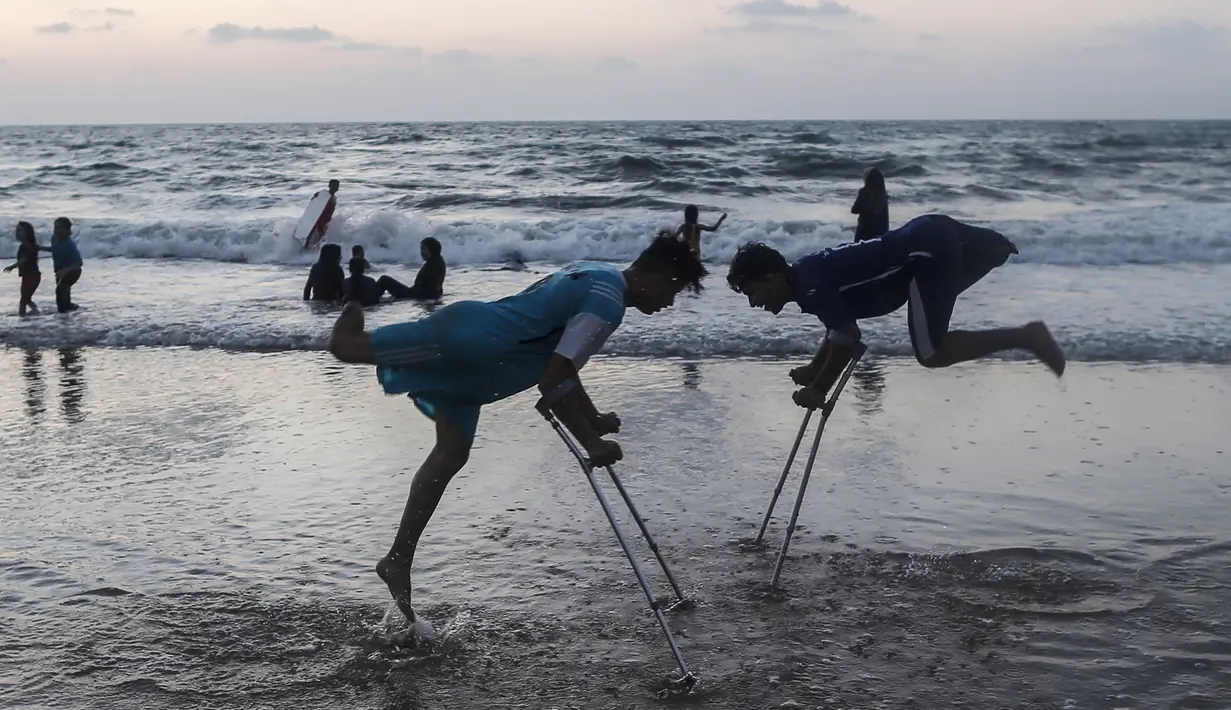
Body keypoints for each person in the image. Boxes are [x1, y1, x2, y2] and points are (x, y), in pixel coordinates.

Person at [326, 231, 707, 628]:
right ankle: (351, 301)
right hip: (466, 342)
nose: (669, 302)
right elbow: (554, 379)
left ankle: (398, 559)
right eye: (674, 290)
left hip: (482, 359)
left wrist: (592, 419)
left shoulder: (598, 274)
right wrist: (592, 444)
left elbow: (561, 364)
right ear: (659, 276)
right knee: (348, 346)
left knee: (452, 454)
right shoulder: (608, 303)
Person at [726, 214, 1066, 410]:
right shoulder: (806, 278)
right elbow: (838, 330)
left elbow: (848, 336)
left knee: (931, 351)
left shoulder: (809, 287)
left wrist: (820, 390)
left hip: (925, 251)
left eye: (752, 291)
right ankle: (995, 250)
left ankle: (1027, 336)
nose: (753, 302)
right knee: (932, 341)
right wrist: (815, 370)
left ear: (771, 277)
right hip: (930, 238)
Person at [3, 222, 50, 316]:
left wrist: (12, 266)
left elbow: (23, 260)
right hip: (33, 276)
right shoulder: (32, 245)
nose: (18, 233)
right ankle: (35, 311)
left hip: (30, 276)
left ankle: (23, 316)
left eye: (20, 231)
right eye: (17, 230)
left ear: (28, 233)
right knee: (26, 298)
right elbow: (44, 248)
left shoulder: (25, 247)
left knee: (23, 300)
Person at [50, 217, 83, 313]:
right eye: (55, 228)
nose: (56, 230)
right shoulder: (54, 238)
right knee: (64, 293)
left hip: (73, 271)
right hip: (60, 269)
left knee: (60, 290)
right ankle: (69, 308)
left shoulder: (69, 245)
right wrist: (40, 248)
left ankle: (62, 314)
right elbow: (55, 249)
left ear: (67, 230)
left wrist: (66, 270)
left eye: (59, 228)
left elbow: (79, 263)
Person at [851, 168, 889, 242]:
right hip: (880, 233)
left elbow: (854, 210)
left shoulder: (864, 192)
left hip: (864, 232)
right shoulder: (883, 195)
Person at [304, 179, 340, 249]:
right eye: (334, 185)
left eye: (337, 186)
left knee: (320, 241)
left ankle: (315, 254)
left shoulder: (333, 198)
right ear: (329, 186)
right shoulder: (324, 196)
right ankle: (304, 254)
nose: (336, 187)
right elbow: (315, 204)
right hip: (319, 222)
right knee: (312, 241)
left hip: (326, 223)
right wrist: (316, 197)